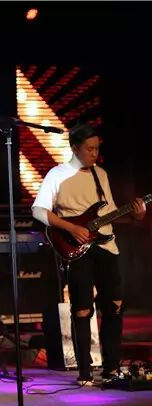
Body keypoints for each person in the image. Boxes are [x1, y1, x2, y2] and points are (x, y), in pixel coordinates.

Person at [32, 123, 146, 385]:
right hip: (77, 248)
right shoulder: (57, 175)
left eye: (97, 149)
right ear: (74, 148)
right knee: (82, 309)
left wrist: (136, 216)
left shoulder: (100, 174)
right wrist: (71, 227)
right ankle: (84, 371)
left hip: (107, 246)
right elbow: (38, 210)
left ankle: (111, 368)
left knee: (114, 306)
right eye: (89, 149)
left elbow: (110, 214)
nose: (95, 153)